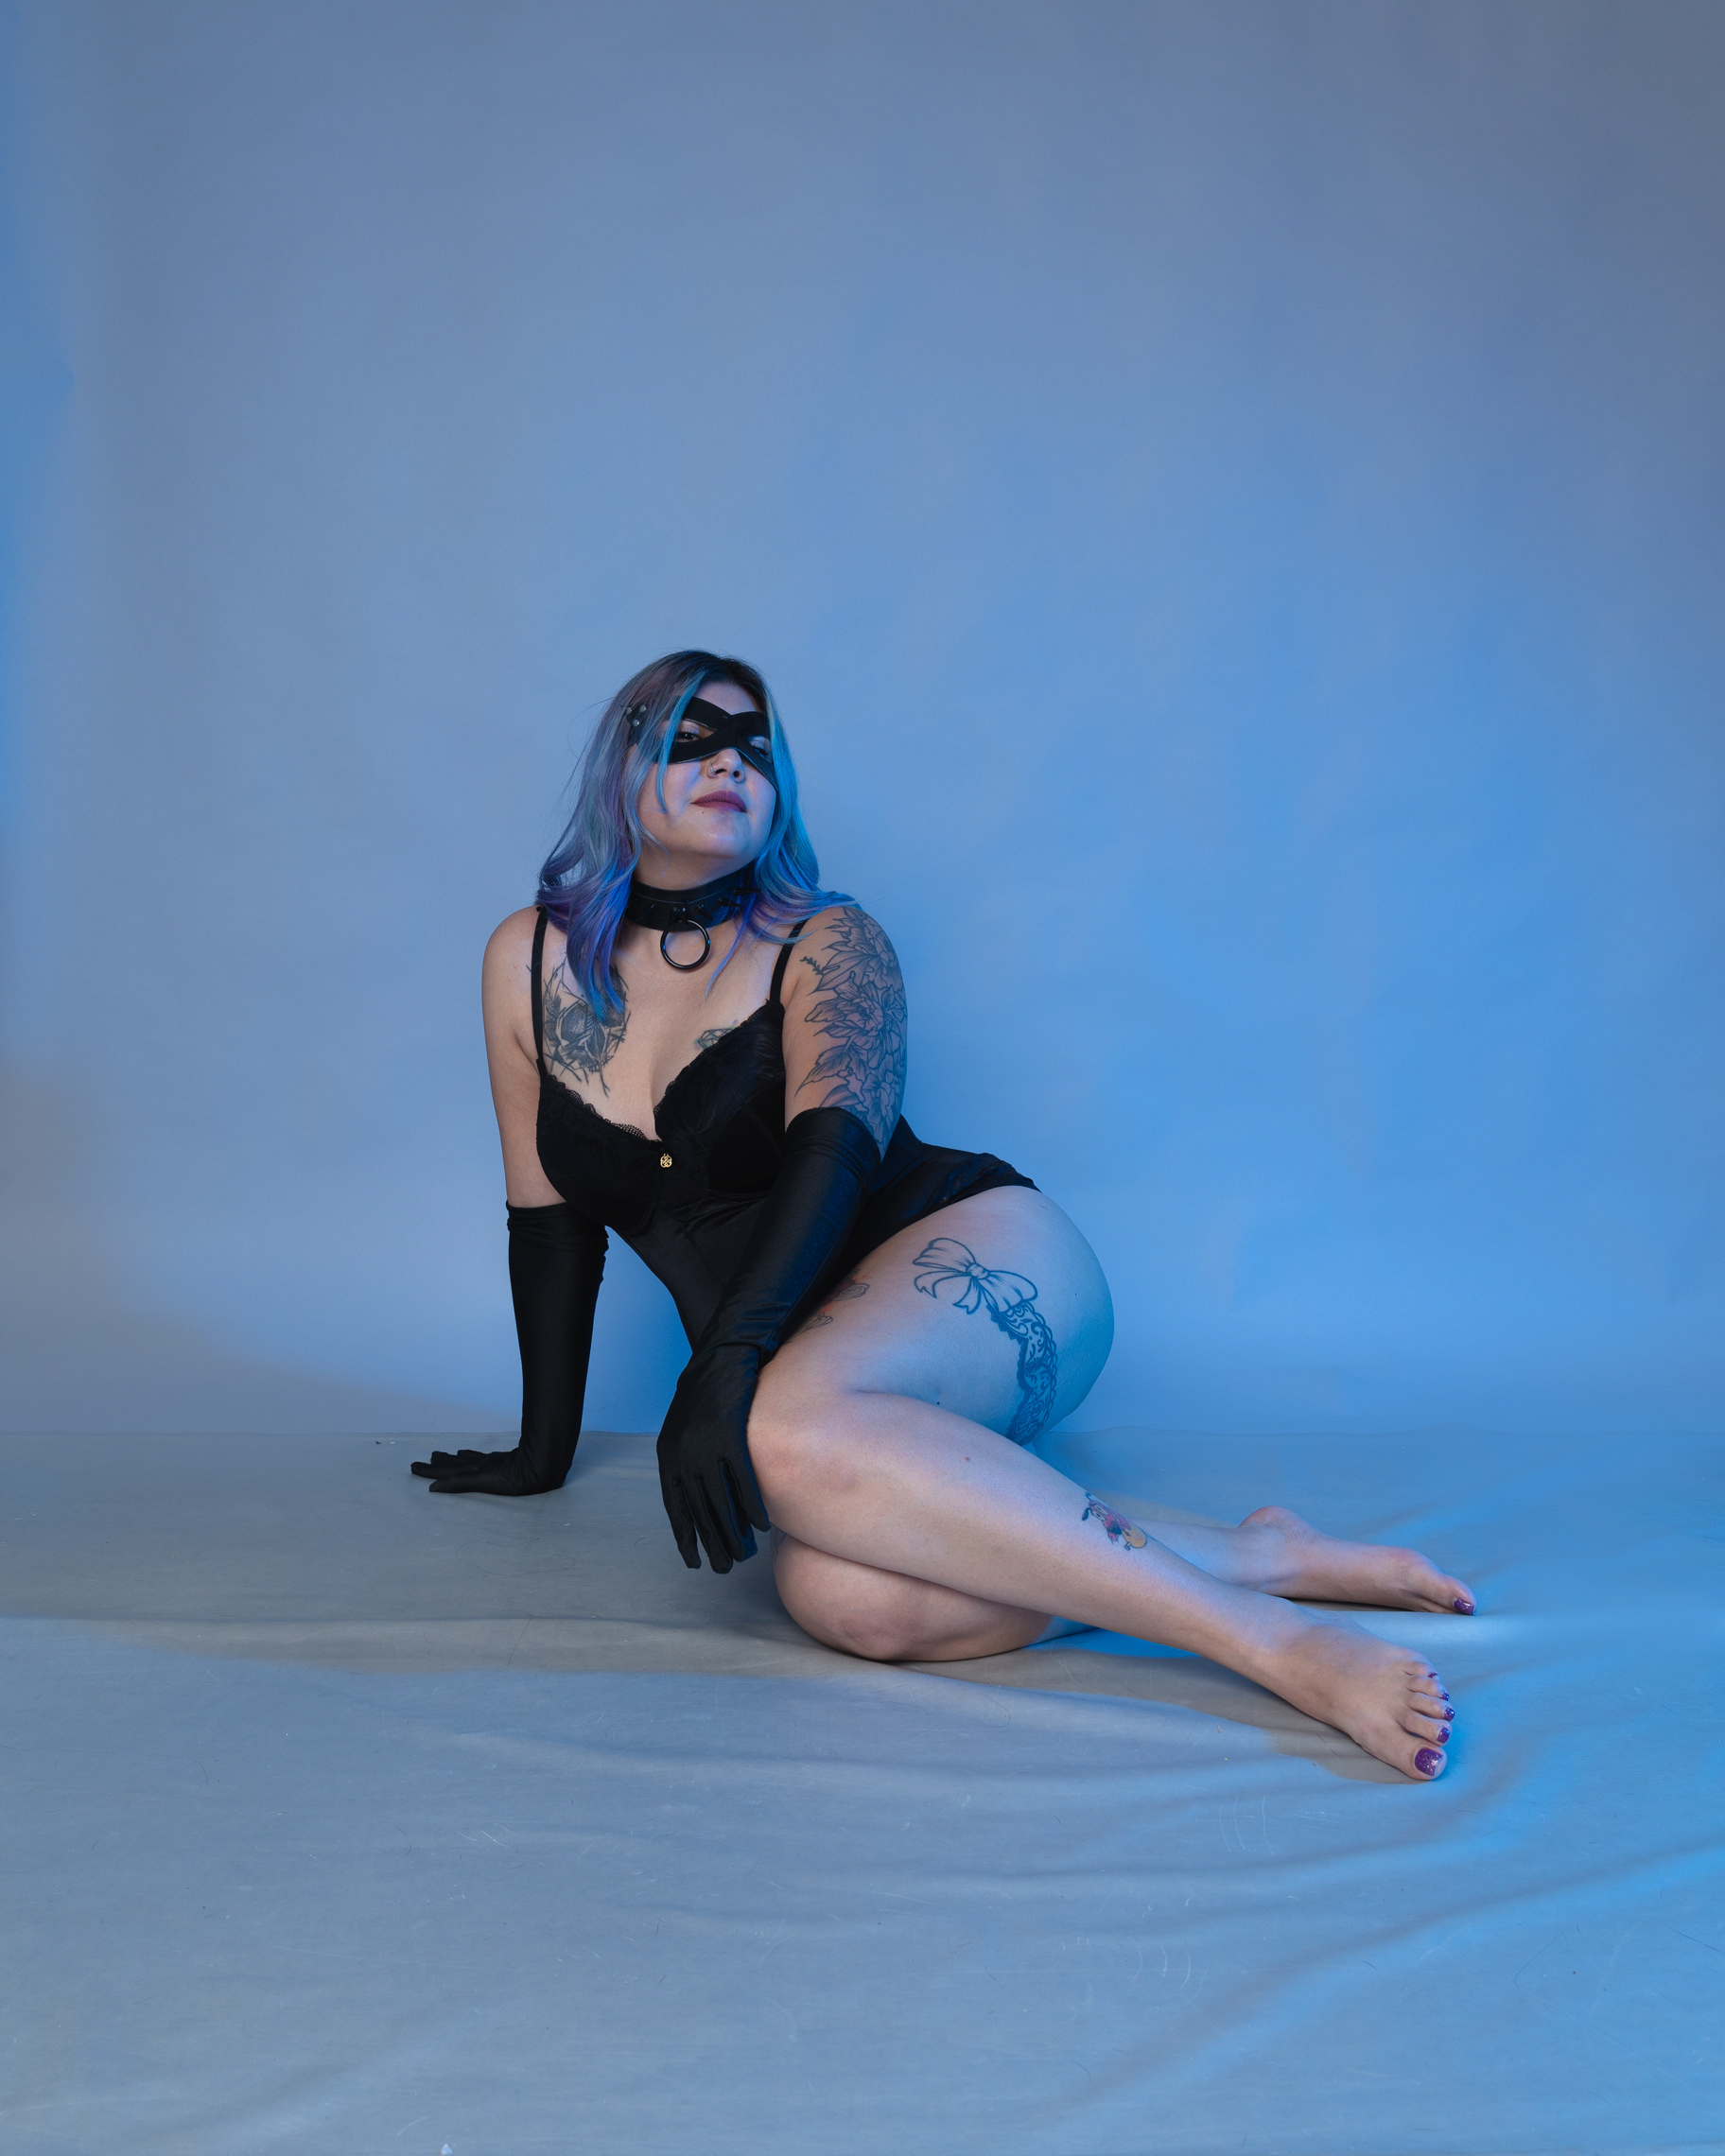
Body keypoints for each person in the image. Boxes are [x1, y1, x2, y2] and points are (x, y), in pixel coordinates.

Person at [412, 650, 1470, 1782]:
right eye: (693, 739)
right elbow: (549, 1222)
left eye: (756, 747)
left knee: (781, 1430)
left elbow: (835, 1160)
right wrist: (542, 1452)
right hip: (805, 1375)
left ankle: (1274, 1641)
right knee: (850, 1603)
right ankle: (1256, 1555)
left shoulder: (830, 941)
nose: (733, 764)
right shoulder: (529, 960)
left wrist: (722, 1364)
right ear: (618, 770)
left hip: (987, 1263)